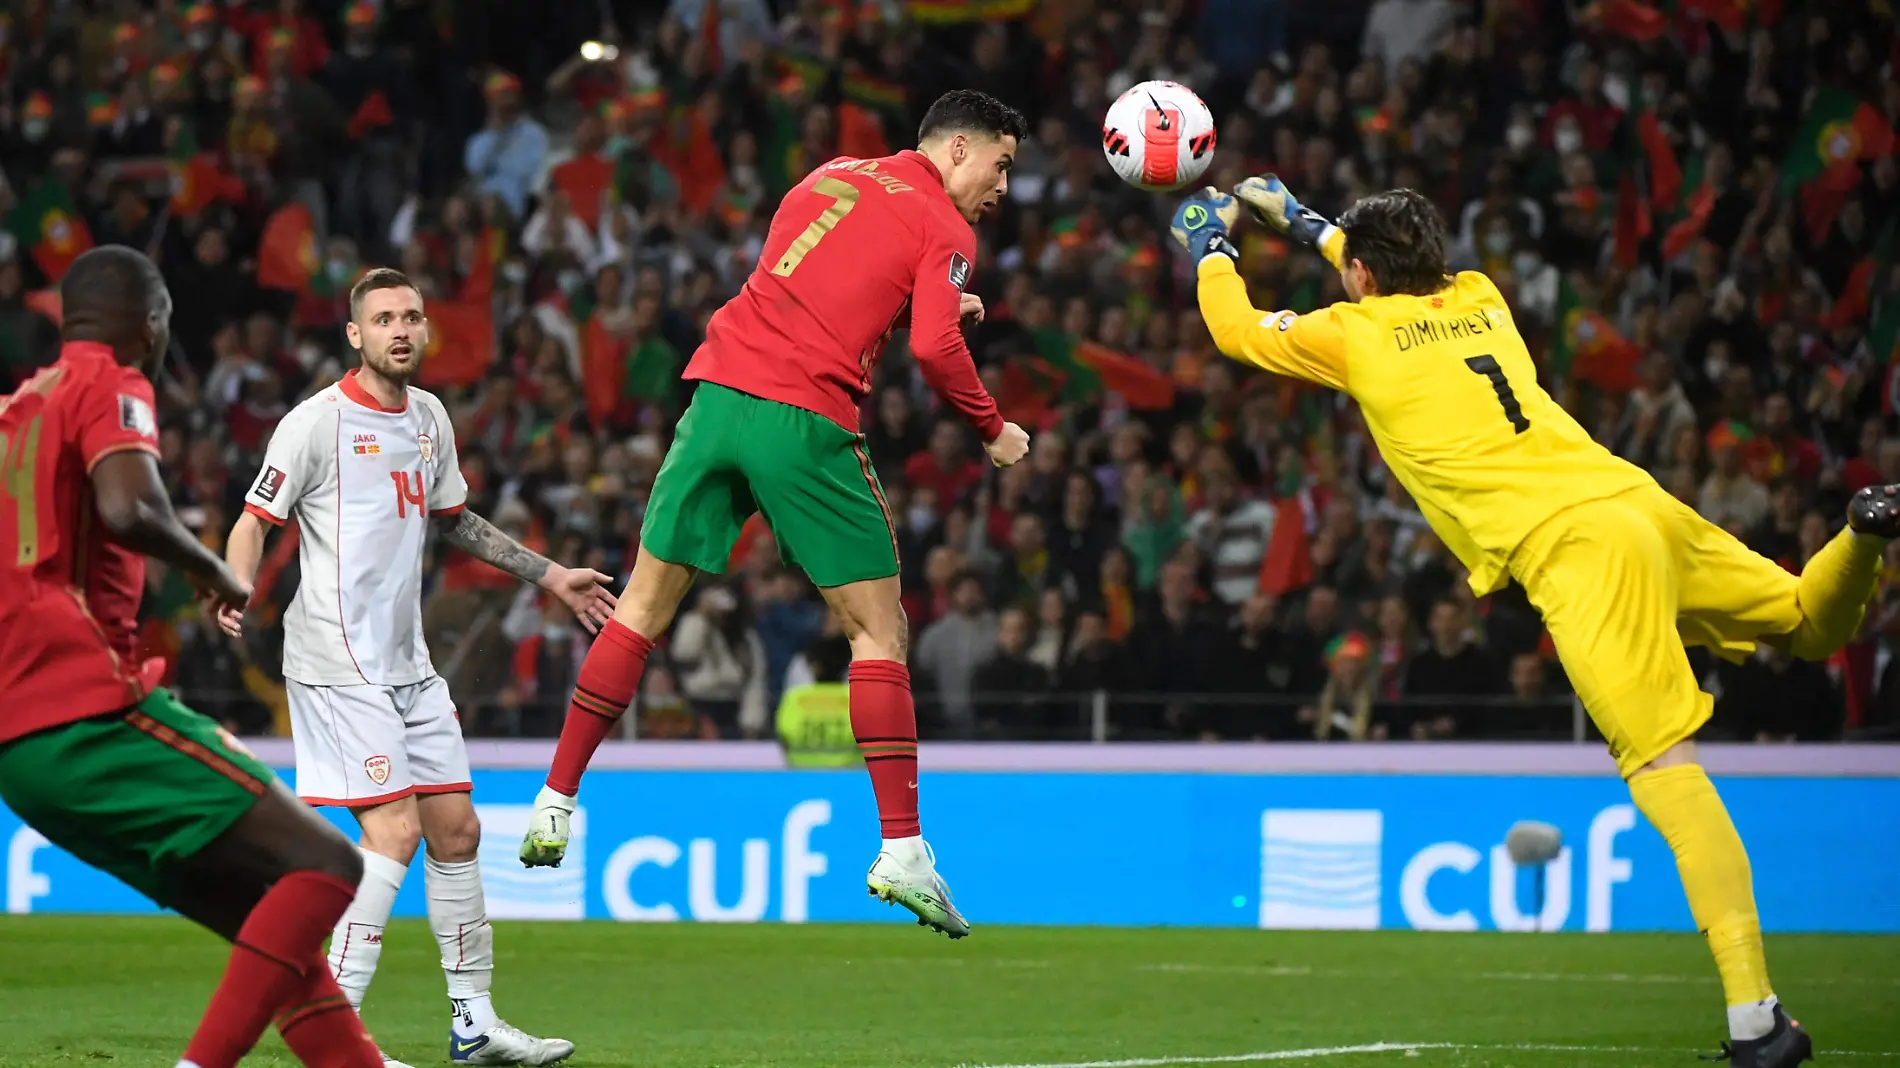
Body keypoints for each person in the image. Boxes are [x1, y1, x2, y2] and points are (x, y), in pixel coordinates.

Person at [1170, 176, 1900, 1068]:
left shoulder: (1353, 335)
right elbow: (1377, 268)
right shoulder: (1480, 296)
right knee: (1805, 620)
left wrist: (1212, 245)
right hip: (1639, 502)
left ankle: (1755, 1017)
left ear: (1359, 277)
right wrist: (1302, 219)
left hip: (1579, 554)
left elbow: (1238, 330)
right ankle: (1862, 533)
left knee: (1668, 770)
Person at [520, 89, 1034, 940]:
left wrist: (924, 300)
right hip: (804, 418)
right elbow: (938, 355)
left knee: (642, 608)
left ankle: (554, 799)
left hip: (718, 398)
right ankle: (902, 849)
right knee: (877, 633)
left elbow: (823, 284)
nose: (1004, 185)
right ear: (956, 150)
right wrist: (994, 429)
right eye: (1001, 163)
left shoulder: (830, 174)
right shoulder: (948, 228)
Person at [0, 245, 381, 1068]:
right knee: (327, 861)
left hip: (19, 743)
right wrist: (215, 569)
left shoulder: (19, 407)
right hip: (86, 711)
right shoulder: (112, 381)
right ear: (153, 322)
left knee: (273, 926)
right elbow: (130, 505)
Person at [221, 269, 610, 1067]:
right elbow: (255, 519)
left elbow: (455, 519)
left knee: (457, 831)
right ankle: (334, 1041)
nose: (401, 329)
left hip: (407, 664)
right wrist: (233, 581)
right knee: (392, 833)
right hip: (336, 661)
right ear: (355, 336)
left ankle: (474, 1023)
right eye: (384, 319)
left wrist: (550, 575)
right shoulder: (314, 424)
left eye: (413, 317)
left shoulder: (430, 417)